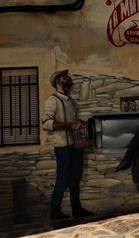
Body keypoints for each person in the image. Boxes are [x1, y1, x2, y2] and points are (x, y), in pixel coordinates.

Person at [42, 70, 93, 220]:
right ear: (58, 82)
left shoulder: (70, 100)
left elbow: (71, 120)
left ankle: (77, 210)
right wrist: (71, 125)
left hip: (75, 146)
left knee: (75, 179)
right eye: (65, 77)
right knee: (62, 179)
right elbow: (46, 123)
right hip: (63, 148)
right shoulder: (52, 100)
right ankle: (55, 213)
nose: (68, 79)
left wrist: (80, 122)